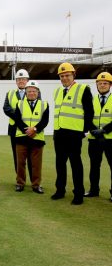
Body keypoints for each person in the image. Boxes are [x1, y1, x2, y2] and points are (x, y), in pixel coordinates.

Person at [51, 62, 93, 205]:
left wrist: (84, 131)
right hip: (59, 133)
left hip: (74, 134)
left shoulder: (83, 89)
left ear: (73, 75)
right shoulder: (57, 91)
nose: (64, 78)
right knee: (60, 163)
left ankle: (78, 194)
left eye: (67, 75)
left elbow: (89, 112)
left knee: (75, 164)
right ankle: (60, 190)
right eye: (62, 76)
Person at [12, 80, 49, 193]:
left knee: (36, 164)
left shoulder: (44, 104)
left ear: (38, 92)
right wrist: (27, 130)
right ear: (26, 92)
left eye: (34, 91)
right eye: (29, 91)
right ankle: (20, 183)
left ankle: (36, 185)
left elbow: (45, 121)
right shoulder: (19, 104)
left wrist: (35, 129)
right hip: (21, 138)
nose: (31, 93)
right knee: (21, 163)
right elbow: (17, 120)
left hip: (37, 139)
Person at [85, 72, 112, 201]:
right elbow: (87, 117)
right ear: (96, 85)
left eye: (105, 83)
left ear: (110, 85)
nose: (102, 85)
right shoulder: (91, 100)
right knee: (94, 166)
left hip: (110, 139)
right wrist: (95, 131)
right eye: (100, 83)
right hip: (94, 139)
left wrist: (104, 131)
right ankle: (94, 190)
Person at [3, 68, 33, 180]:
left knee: (31, 157)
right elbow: (6, 108)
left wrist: (19, 116)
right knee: (17, 157)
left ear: (27, 80)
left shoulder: (33, 91)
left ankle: (34, 181)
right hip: (14, 130)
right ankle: (20, 180)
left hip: (29, 129)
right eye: (18, 79)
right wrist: (19, 116)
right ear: (16, 81)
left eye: (23, 79)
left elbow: (37, 108)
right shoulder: (10, 93)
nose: (21, 81)